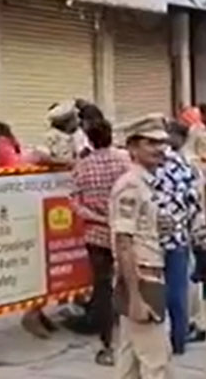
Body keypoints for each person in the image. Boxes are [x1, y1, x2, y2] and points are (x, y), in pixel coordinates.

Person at [110, 125, 174, 379]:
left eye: (161, 143)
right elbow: (123, 241)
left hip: (145, 274)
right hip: (142, 276)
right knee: (156, 360)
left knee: (130, 359)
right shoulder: (131, 185)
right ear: (133, 148)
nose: (159, 149)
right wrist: (136, 296)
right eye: (150, 143)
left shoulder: (145, 182)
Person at [72, 117, 132, 365]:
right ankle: (133, 340)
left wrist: (97, 217)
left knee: (103, 288)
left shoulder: (82, 166)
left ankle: (107, 345)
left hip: (97, 233)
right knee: (132, 283)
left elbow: (75, 202)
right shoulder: (125, 160)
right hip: (126, 230)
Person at [147, 115, 203, 356]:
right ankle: (178, 340)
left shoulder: (150, 164)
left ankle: (155, 339)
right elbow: (194, 202)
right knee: (178, 291)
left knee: (151, 289)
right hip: (179, 237)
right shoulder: (184, 165)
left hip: (151, 238)